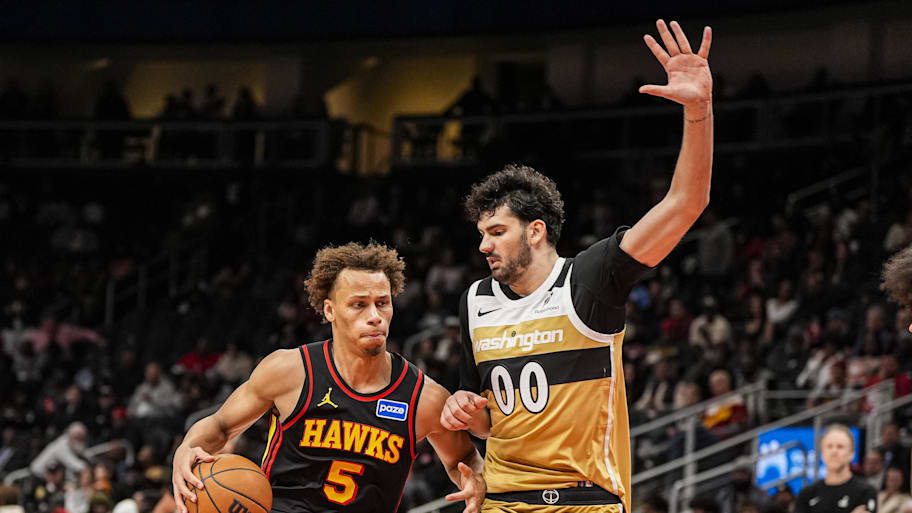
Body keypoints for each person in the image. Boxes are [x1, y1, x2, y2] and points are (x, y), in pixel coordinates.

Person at [442, 19, 714, 513]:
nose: (483, 245)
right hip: (502, 501)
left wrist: (698, 111)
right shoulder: (475, 301)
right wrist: (463, 408)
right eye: (481, 234)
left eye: (497, 232)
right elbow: (483, 417)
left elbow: (685, 203)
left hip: (584, 500)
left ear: (536, 231)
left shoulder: (590, 276)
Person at [172, 242, 485, 513]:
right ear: (330, 310)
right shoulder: (289, 371)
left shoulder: (423, 396)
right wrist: (187, 449)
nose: (374, 316)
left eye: (382, 303)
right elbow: (220, 426)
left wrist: (475, 480)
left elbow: (465, 458)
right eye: (359, 305)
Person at [794, 424, 877, 513]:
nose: (834, 451)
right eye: (829, 446)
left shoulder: (865, 492)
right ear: (822, 453)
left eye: (840, 446)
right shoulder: (806, 494)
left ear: (852, 453)